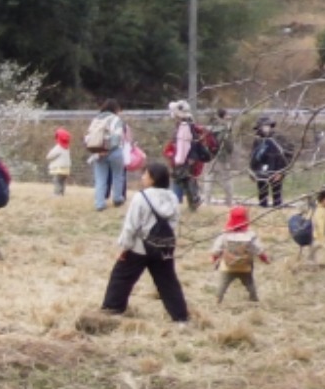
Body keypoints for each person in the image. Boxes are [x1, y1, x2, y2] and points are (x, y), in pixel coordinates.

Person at [100, 160, 189, 324]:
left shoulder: (141, 198)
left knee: (121, 277)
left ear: (153, 178)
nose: (142, 177)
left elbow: (131, 226)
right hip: (164, 247)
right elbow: (174, 222)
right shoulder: (173, 198)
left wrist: (124, 247)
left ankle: (112, 309)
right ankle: (180, 316)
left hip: (139, 246)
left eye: (145, 174)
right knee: (168, 282)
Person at [209, 206, 268, 304]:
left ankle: (217, 300)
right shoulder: (250, 235)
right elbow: (258, 249)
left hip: (228, 266)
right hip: (245, 266)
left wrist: (214, 257)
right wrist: (264, 258)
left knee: (223, 284)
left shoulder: (225, 234)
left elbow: (217, 248)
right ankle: (254, 299)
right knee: (249, 283)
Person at [85, 100, 129, 212]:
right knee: (118, 175)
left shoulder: (96, 119)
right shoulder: (116, 119)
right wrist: (109, 148)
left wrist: (99, 150)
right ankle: (117, 198)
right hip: (114, 151)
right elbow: (117, 136)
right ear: (115, 109)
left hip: (98, 151)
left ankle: (99, 203)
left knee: (100, 178)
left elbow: (88, 137)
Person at [166, 101, 204, 211]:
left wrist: (179, 159)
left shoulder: (183, 126)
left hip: (184, 159)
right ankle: (192, 201)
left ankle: (179, 202)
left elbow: (184, 145)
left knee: (181, 179)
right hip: (188, 158)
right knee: (187, 180)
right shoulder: (189, 124)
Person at [249, 117, 290, 208]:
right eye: (263, 126)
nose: (265, 128)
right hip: (260, 170)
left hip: (276, 168)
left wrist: (281, 172)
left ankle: (277, 207)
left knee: (276, 192)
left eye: (267, 126)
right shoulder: (257, 139)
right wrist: (252, 171)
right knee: (262, 191)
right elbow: (253, 156)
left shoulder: (278, 139)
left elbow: (285, 156)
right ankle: (263, 206)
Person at [46, 127, 72, 197]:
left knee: (57, 181)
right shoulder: (67, 148)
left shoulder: (58, 147)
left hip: (58, 169)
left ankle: (56, 194)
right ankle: (61, 193)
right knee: (62, 182)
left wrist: (48, 155)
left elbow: (50, 156)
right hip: (66, 169)